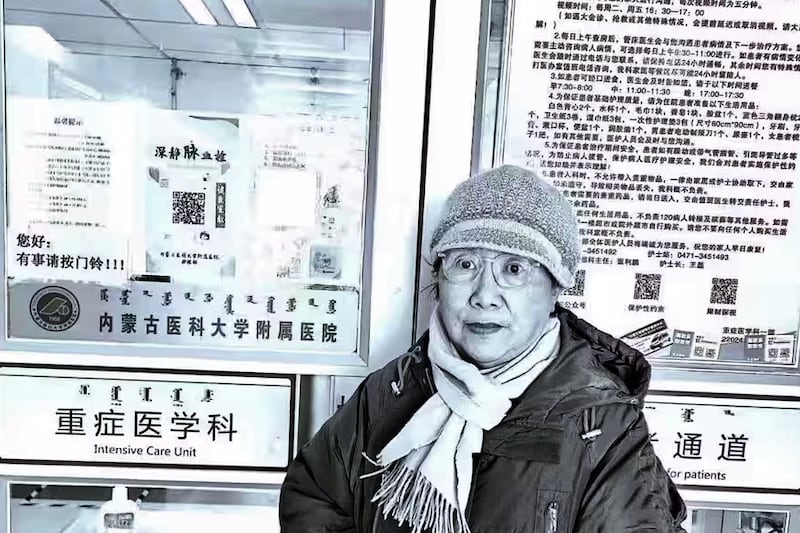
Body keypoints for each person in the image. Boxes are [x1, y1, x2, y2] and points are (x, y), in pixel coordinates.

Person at [279, 165, 687, 533]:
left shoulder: (601, 425)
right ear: (438, 277)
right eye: (465, 264)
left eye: (513, 269)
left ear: (555, 290)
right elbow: (314, 495)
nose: (484, 295)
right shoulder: (392, 390)